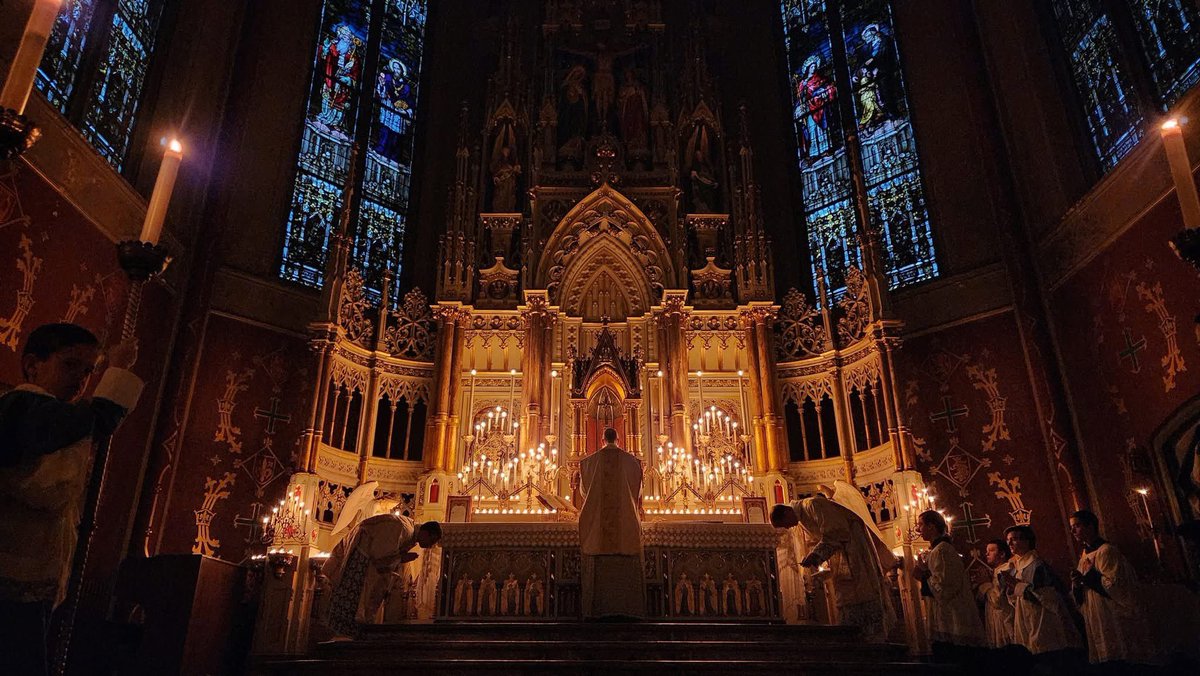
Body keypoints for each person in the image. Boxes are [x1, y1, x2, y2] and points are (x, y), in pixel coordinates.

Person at [0, 323, 141, 675]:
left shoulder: (52, 415)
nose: (80, 379)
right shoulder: (24, 407)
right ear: (33, 365)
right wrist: (117, 373)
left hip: (33, 576)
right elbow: (51, 489)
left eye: (88, 371)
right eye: (69, 365)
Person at [770, 490, 896, 642]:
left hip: (854, 550)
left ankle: (872, 638)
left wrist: (816, 555)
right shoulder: (803, 516)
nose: (788, 527)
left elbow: (837, 531)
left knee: (863, 588)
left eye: (785, 524)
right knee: (847, 593)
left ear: (786, 512)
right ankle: (855, 637)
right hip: (843, 553)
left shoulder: (813, 505)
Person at [320, 511, 441, 639]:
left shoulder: (409, 531)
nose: (430, 546)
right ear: (425, 533)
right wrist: (401, 558)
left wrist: (400, 559)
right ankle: (344, 638)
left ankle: (350, 635)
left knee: (358, 605)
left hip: (366, 559)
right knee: (354, 600)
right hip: (362, 559)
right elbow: (380, 559)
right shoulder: (403, 529)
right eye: (431, 540)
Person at [1069, 509, 1158, 668]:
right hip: (1095, 610)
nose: (1073, 530)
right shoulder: (1085, 554)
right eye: (1072, 527)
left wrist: (1089, 576)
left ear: (1090, 526)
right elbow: (1085, 585)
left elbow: (1115, 586)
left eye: (1077, 526)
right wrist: (1077, 584)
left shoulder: (1106, 551)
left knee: (1118, 657)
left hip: (1110, 611)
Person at [578, 427, 644, 620]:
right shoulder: (632, 462)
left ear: (602, 439)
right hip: (626, 525)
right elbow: (637, 492)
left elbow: (584, 492)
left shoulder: (589, 463)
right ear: (619, 439)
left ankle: (595, 611)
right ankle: (627, 610)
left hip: (597, 530)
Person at [1001, 525, 1083, 673]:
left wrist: (1017, 586)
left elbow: (1048, 598)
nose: (1009, 544)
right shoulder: (1017, 566)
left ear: (1027, 541)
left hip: (1043, 619)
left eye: (1014, 539)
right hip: (1026, 617)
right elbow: (1018, 597)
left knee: (1048, 659)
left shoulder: (1037, 565)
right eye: (1008, 540)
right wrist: (1011, 589)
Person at [913, 510, 985, 665]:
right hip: (947, 619)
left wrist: (923, 576)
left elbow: (946, 588)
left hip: (954, 621)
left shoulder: (942, 550)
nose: (918, 530)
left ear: (931, 526)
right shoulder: (937, 550)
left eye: (920, 525)